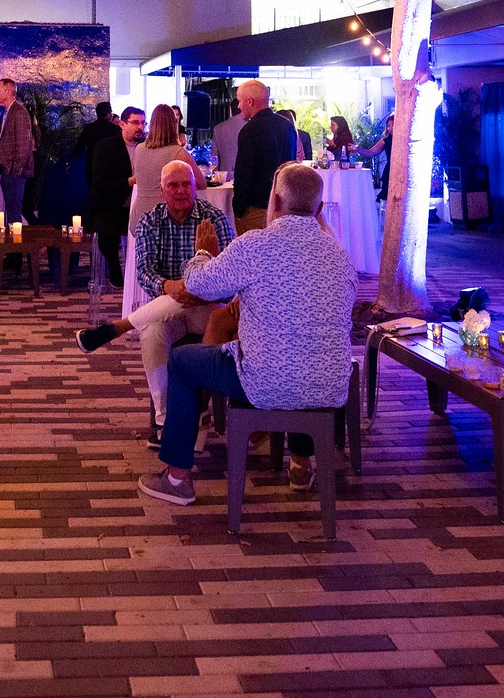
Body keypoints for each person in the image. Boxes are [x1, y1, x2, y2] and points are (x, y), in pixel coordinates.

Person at [137, 163, 357, 506]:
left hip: (266, 380)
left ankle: (177, 478)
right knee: (300, 356)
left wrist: (203, 252)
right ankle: (301, 462)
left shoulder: (257, 244)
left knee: (181, 361)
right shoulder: (341, 255)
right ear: (319, 208)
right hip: (329, 384)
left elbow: (198, 282)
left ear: (276, 202)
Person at [75, 159, 236, 442]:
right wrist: (170, 285)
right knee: (151, 332)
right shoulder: (150, 220)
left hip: (207, 312)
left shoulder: (215, 219)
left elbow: (231, 277)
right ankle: (165, 421)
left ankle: (119, 327)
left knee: (191, 293)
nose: (181, 191)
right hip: (167, 310)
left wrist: (198, 288)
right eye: (173, 185)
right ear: (162, 190)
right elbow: (144, 272)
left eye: (186, 184)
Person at [84, 105, 143, 286]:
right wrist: (130, 181)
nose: (140, 127)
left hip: (140, 207)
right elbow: (101, 185)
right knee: (107, 233)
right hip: (112, 206)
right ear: (122, 124)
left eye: (142, 123)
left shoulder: (147, 148)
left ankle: (145, 274)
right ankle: (115, 271)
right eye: (135, 123)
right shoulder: (106, 147)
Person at [232, 80, 299, 233]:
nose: (238, 106)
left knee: (252, 256)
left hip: (256, 210)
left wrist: (238, 209)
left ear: (250, 101)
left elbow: (244, 174)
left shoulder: (249, 130)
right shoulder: (287, 126)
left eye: (240, 101)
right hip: (283, 209)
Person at [127, 104, 198, 236]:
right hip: (164, 217)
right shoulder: (178, 153)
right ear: (173, 124)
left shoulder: (139, 149)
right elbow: (200, 183)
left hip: (138, 215)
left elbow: (137, 176)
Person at [0, 78, 36, 225]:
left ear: (9, 90)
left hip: (14, 172)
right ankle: (10, 246)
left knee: (13, 212)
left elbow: (24, 145)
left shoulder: (19, 112)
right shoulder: (7, 111)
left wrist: (15, 170)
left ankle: (15, 247)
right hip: (6, 170)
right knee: (10, 212)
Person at [210, 98, 246, 177]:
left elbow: (214, 158)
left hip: (225, 177)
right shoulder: (250, 126)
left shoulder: (218, 128)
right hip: (246, 178)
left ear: (231, 110)